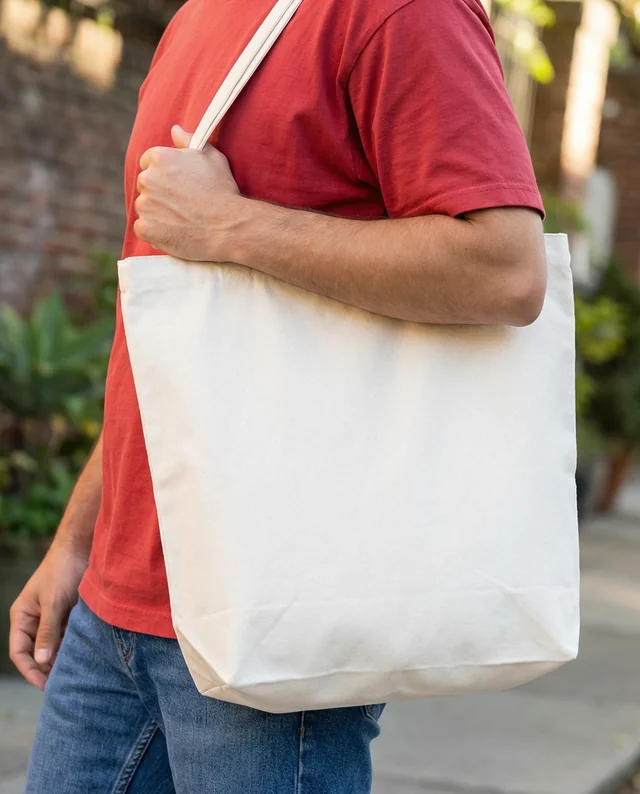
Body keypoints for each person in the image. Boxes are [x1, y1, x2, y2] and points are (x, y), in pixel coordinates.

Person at [10, 0, 547, 790]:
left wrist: (230, 225)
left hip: (275, 603)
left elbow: (505, 269)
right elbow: (180, 343)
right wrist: (79, 538)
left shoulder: (402, 12)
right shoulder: (200, 13)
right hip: (114, 610)